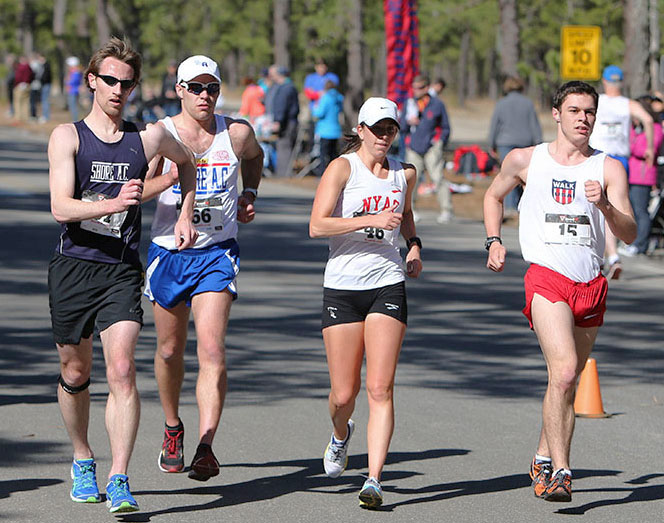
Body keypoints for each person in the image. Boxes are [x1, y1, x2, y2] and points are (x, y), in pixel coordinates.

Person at [47, 37, 198, 513]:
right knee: (75, 370)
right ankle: (83, 457)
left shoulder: (147, 137)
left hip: (119, 271)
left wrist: (184, 213)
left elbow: (187, 162)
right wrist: (113, 201)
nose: (118, 90)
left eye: (126, 83)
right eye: (109, 80)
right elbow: (60, 206)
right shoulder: (67, 137)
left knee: (122, 370)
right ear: (92, 80)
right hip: (73, 267)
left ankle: (118, 477)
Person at [484, 81, 636, 502]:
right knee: (566, 370)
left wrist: (605, 206)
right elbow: (493, 196)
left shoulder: (608, 168)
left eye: (589, 112)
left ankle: (542, 455)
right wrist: (493, 240)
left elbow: (629, 231)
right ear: (556, 114)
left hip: (590, 282)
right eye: (574, 111)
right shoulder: (525, 159)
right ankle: (563, 472)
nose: (583, 119)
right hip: (546, 277)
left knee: (564, 382)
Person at [142, 55, 263, 482]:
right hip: (168, 253)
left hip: (217, 252)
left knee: (211, 350)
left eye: (212, 87)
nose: (205, 96)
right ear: (179, 90)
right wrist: (176, 179)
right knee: (170, 351)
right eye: (195, 87)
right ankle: (173, 426)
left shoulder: (236, 132)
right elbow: (140, 190)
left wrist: (249, 192)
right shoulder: (162, 134)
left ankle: (206, 446)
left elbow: (256, 157)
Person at [309, 97, 422, 508]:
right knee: (344, 394)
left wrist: (413, 246)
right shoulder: (343, 168)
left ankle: (374, 479)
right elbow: (317, 224)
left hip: (387, 284)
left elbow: (406, 214)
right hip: (342, 287)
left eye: (390, 129)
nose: (383, 137)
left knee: (380, 386)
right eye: (376, 129)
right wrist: (367, 220)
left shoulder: (403, 173)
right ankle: (341, 435)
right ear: (360, 130)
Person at [589, 65, 654, 279]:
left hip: (597, 158)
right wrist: (650, 147)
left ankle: (605, 255)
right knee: (612, 210)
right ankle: (612, 255)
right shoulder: (628, 104)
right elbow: (648, 119)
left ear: (605, 82)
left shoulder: (597, 101)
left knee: (597, 207)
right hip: (619, 161)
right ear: (621, 83)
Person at [488, 76, 542, 216]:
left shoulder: (501, 103)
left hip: (505, 142)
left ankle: (511, 207)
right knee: (524, 175)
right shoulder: (528, 103)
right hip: (525, 142)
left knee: (508, 175)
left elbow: (495, 125)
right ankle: (522, 205)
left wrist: (491, 144)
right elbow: (534, 125)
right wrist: (538, 143)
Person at [401, 74, 452, 223]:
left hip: (431, 147)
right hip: (413, 147)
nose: (417, 90)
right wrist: (408, 122)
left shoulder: (437, 104)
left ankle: (446, 209)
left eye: (420, 87)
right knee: (412, 180)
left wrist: (439, 142)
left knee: (438, 178)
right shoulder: (409, 104)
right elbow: (401, 127)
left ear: (427, 87)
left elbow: (445, 127)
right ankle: (411, 210)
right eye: (415, 87)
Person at [620, 95, 664, 256]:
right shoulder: (636, 129)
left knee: (641, 211)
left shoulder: (656, 129)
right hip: (632, 174)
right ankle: (632, 241)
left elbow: (644, 150)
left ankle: (641, 244)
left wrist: (631, 144)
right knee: (632, 210)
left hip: (644, 176)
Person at [269, 65, 299, 177]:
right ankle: (283, 172)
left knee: (284, 147)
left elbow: (282, 106)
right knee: (283, 146)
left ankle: (283, 174)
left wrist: (278, 121)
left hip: (287, 123)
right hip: (288, 121)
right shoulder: (286, 86)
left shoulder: (286, 88)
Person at [311, 79, 344, 175]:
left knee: (323, 154)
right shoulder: (339, 97)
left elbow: (319, 113)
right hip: (336, 130)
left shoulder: (325, 97)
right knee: (333, 154)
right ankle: (335, 173)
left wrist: (315, 106)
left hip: (325, 130)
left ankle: (322, 173)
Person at [12, 55, 33, 122]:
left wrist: (22, 83)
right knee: (25, 102)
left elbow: (19, 77)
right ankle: (25, 117)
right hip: (26, 85)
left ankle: (18, 117)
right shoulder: (28, 67)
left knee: (18, 102)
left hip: (21, 85)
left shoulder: (22, 67)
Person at [66, 56, 82, 122]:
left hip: (74, 91)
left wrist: (68, 81)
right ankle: (74, 119)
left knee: (74, 106)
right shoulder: (73, 73)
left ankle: (75, 120)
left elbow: (73, 81)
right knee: (72, 106)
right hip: (72, 91)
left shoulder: (76, 73)